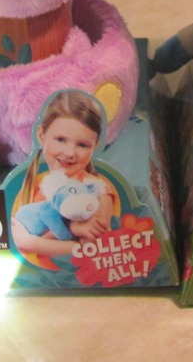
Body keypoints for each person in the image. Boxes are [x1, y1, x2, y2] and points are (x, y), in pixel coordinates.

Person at [11, 90, 117, 262]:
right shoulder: (33, 185)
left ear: (95, 146)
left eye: (82, 145)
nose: (69, 153)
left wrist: (29, 242)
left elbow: (91, 246)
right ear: (41, 135)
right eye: (60, 139)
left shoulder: (99, 191)